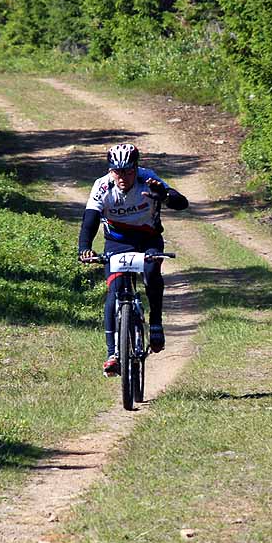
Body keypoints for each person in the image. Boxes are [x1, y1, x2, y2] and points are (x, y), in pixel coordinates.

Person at [79, 143, 189, 376]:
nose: (122, 177)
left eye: (128, 171)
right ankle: (112, 354)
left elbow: (182, 203)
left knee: (151, 271)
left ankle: (156, 323)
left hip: (148, 238)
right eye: (117, 171)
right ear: (110, 170)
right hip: (117, 241)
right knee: (115, 289)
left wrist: (165, 197)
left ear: (136, 168)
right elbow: (90, 219)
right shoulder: (102, 186)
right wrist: (85, 248)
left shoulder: (148, 179)